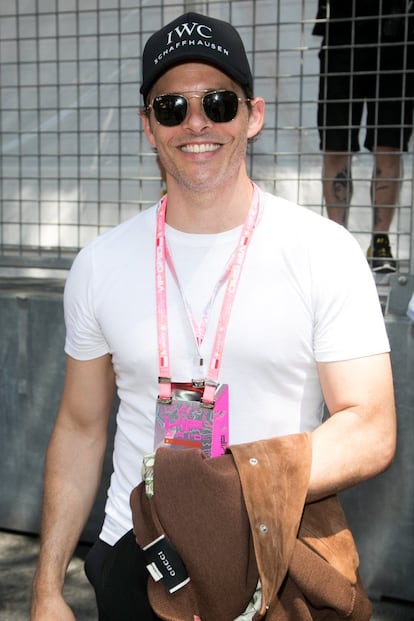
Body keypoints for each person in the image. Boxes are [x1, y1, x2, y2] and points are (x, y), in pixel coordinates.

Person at [31, 11, 396, 621]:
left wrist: (240, 487)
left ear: (252, 116)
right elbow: (80, 426)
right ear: (148, 126)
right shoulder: (99, 265)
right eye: (171, 107)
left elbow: (371, 423)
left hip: (272, 558)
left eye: (218, 102)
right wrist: (46, 589)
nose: (196, 123)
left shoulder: (322, 250)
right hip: (137, 558)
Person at [313, 0, 414, 273]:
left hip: (398, 30)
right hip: (341, 28)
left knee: (389, 144)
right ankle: (337, 240)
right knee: (336, 143)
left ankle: (380, 241)